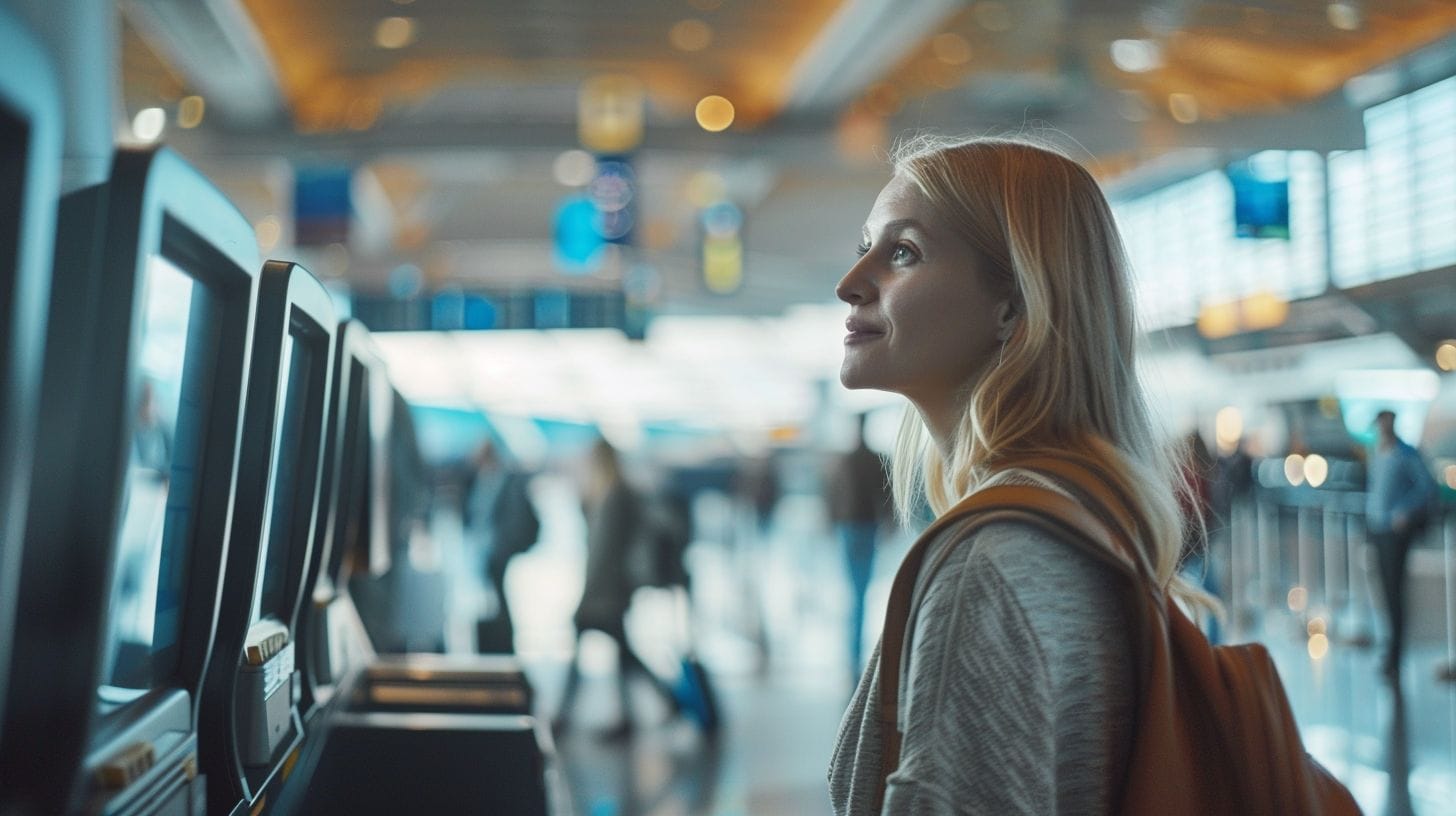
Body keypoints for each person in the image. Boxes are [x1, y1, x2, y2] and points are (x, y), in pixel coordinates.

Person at [827, 136, 1213, 813]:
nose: (850, 283)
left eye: (902, 252)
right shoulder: (1091, 526)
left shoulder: (991, 566)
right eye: (865, 246)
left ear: (1013, 305)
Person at [555, 438, 679, 738]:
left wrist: (591, 592)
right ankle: (652, 707)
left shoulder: (614, 496)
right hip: (612, 589)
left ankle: (566, 715)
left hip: (606, 591)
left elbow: (604, 551)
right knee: (624, 655)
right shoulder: (609, 494)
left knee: (615, 652)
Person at [1366, 409, 1436, 679]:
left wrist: (1404, 511)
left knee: (1395, 592)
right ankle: (1390, 648)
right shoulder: (1378, 453)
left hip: (1395, 532)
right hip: (1379, 528)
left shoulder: (1405, 453)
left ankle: (1396, 653)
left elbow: (1426, 486)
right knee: (1384, 591)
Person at [826, 414, 893, 682]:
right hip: (863, 528)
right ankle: (854, 653)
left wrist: (831, 521)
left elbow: (831, 496)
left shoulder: (845, 461)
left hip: (852, 529)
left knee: (856, 592)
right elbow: (885, 495)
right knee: (859, 592)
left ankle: (852, 655)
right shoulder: (872, 459)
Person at [464, 440, 539, 652]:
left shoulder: (500, 480)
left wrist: (503, 546)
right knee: (495, 599)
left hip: (498, 550)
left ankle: (503, 642)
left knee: (499, 600)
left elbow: (502, 517)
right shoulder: (489, 479)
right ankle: (500, 641)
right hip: (490, 549)